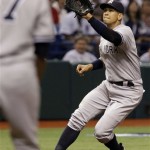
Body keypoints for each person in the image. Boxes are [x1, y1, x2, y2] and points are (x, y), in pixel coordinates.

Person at [55, 0, 144, 150]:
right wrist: (90, 65)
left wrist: (89, 18)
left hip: (129, 91)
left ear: (120, 15)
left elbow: (114, 38)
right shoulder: (104, 35)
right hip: (108, 86)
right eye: (105, 10)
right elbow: (105, 59)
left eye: (111, 10)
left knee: (101, 132)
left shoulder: (125, 31)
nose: (106, 12)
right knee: (78, 117)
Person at [0, 0, 54, 150]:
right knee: (25, 143)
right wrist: (34, 81)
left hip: (18, 66)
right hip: (18, 68)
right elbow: (42, 47)